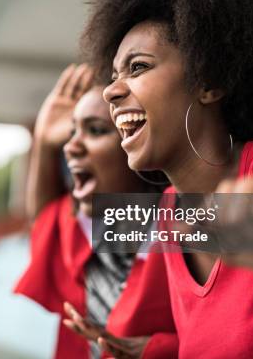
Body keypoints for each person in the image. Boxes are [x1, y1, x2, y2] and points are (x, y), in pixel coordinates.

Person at [80, 0, 253, 358]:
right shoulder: (171, 212)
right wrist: (156, 352)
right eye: (114, 75)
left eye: (138, 67)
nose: (112, 92)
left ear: (209, 83)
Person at [14, 64, 177, 358]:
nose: (70, 147)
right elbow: (46, 220)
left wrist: (160, 350)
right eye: (71, 131)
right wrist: (43, 143)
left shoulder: (189, 221)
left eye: (96, 130)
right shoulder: (102, 225)